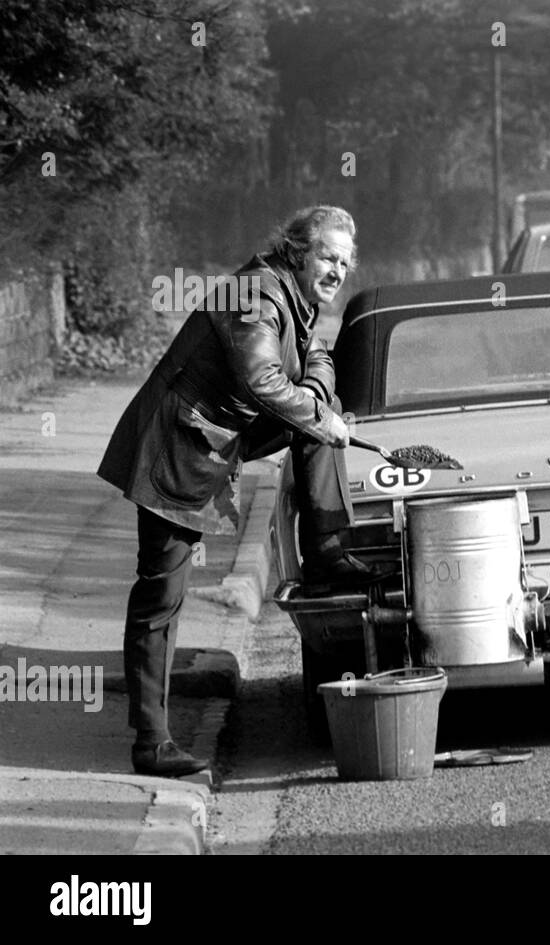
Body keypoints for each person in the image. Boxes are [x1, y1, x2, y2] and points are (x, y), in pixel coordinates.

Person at [98, 205, 391, 777]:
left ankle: (328, 548)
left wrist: (315, 400)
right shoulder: (257, 295)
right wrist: (317, 413)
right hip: (175, 453)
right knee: (161, 592)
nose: (337, 270)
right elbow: (260, 378)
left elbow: (318, 354)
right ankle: (151, 744)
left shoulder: (294, 297)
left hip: (214, 440)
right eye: (328, 256)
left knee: (318, 411)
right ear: (297, 249)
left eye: (345, 262)